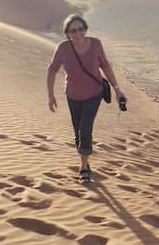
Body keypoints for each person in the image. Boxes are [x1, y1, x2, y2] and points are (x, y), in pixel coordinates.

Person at [46, 14, 127, 183]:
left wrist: (117, 89)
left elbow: (105, 66)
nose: (78, 33)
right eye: (73, 30)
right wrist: (50, 94)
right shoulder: (63, 48)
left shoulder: (96, 44)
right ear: (67, 33)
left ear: (86, 29)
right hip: (73, 95)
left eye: (81, 29)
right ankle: (85, 160)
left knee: (85, 128)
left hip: (94, 94)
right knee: (77, 131)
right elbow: (52, 70)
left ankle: (83, 167)